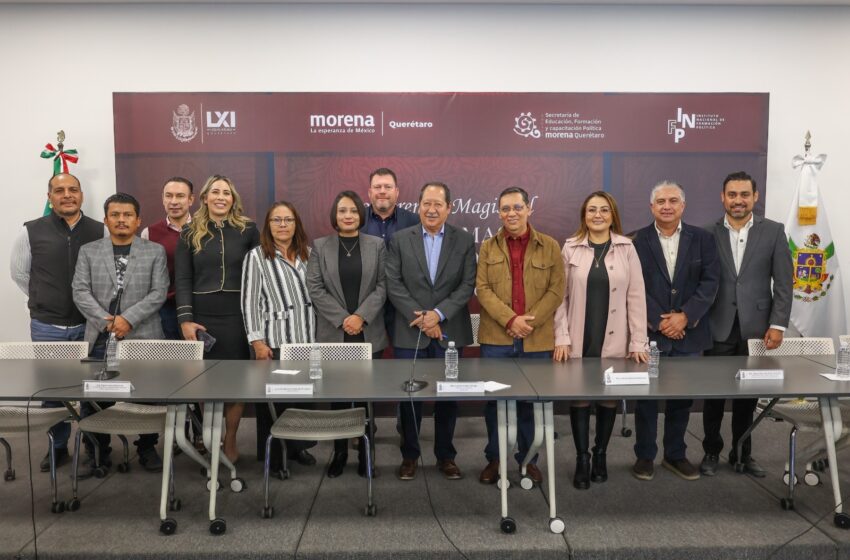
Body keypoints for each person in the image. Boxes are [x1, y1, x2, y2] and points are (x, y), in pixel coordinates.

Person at [553, 191, 649, 489]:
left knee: (608, 397)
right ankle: (582, 458)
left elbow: (636, 297)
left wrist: (638, 341)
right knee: (580, 397)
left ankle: (601, 454)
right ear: (584, 214)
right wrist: (562, 336)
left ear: (612, 215)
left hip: (616, 338)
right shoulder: (569, 248)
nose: (597, 215)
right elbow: (560, 299)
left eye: (604, 210)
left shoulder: (626, 248)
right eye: (592, 209)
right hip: (579, 336)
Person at [700, 171, 793, 477]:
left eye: (744, 194)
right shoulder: (706, 233)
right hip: (717, 325)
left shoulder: (774, 232)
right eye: (732, 194)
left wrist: (778, 324)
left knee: (747, 396)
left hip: (757, 328)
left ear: (755, 197)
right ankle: (711, 451)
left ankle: (742, 453)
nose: (737, 200)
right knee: (713, 396)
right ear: (722, 197)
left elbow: (783, 282)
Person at [10, 173, 104, 472]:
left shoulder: (99, 231)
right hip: (48, 326)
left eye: (73, 190)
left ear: (81, 196)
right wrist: (43, 298)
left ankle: (95, 445)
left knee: (93, 389)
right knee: (53, 392)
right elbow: (20, 274)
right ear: (50, 197)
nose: (67, 195)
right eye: (59, 190)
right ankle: (58, 446)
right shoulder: (31, 231)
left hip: (89, 325)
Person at [71, 193, 169, 476]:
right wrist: (107, 321)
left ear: (138, 220)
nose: (121, 219)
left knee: (147, 396)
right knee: (93, 397)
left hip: (143, 337)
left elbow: (158, 292)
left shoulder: (154, 251)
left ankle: (147, 447)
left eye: (128, 215)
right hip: (100, 337)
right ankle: (97, 450)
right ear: (106, 220)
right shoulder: (89, 251)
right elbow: (80, 290)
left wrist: (127, 319)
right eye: (115, 215)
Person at [386, 182, 476, 481]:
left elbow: (467, 285)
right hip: (409, 329)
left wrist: (437, 315)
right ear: (418, 205)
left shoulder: (463, 240)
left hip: (449, 328)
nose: (432, 209)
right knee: (410, 397)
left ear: (449, 208)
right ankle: (409, 456)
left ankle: (446, 456)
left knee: (448, 396)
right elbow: (393, 282)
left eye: (439, 204)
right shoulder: (400, 240)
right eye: (426, 203)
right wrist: (423, 318)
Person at [476, 187, 565, 486]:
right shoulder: (488, 247)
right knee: (494, 404)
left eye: (517, 207)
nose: (511, 213)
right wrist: (510, 320)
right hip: (496, 339)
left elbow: (556, 289)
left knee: (531, 403)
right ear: (499, 213)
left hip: (536, 339)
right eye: (505, 209)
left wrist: (529, 322)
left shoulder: (550, 246)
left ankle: (528, 460)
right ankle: (495, 459)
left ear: (529, 209)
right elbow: (483, 289)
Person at [632, 181, 719, 482]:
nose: (666, 206)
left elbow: (711, 283)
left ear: (682, 206)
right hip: (651, 333)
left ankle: (675, 455)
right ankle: (644, 456)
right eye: (660, 201)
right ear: (651, 207)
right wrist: (661, 321)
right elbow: (634, 286)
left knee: (681, 398)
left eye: (672, 201)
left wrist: (685, 317)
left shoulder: (703, 239)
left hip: (689, 332)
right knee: (646, 400)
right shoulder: (635, 241)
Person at [175, 174, 260, 464]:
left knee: (236, 380)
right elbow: (183, 278)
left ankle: (231, 438)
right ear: (205, 198)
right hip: (202, 316)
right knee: (206, 382)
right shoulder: (189, 232)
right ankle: (210, 439)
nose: (221, 196)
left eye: (227, 192)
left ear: (233, 198)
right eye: (216, 192)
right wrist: (185, 319)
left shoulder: (248, 229)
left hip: (237, 314)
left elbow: (260, 273)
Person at [307, 191, 388, 477]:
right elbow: (314, 288)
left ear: (360, 215)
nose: (348, 216)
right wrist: (344, 320)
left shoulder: (377, 245)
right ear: (335, 215)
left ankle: (367, 452)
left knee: (367, 396)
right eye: (342, 211)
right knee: (339, 396)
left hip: (368, 332)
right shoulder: (320, 246)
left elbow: (382, 286)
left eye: (353, 211)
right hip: (334, 333)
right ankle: (340, 452)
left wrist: (360, 317)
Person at [242, 201, 318, 470]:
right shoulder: (257, 256)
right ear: (268, 226)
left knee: (300, 398)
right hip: (275, 340)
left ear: (296, 224)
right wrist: (257, 341)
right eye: (277, 220)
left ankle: (297, 448)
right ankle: (273, 456)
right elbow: (249, 302)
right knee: (274, 400)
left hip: (307, 337)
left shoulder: (308, 254)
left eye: (288, 220)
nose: (283, 225)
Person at [141, 177, 195, 340]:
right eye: (168, 196)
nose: (174, 201)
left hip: (200, 306)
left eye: (180, 196)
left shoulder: (204, 230)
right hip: (166, 309)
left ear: (190, 199)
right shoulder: (149, 233)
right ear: (163, 199)